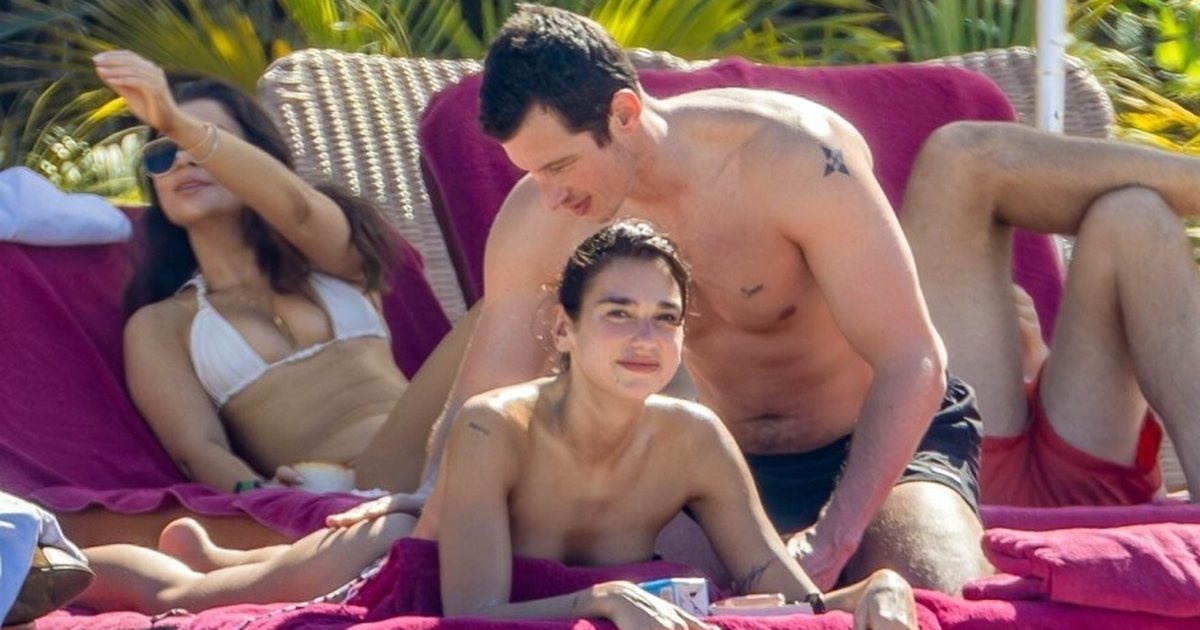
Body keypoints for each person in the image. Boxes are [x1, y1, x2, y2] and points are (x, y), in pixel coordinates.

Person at [355, 5, 990, 594]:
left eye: (559, 167)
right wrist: (433, 496)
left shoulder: (793, 158)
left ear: (624, 114)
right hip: (715, 466)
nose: (548, 196)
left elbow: (913, 360)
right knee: (647, 598)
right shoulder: (540, 219)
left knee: (931, 586)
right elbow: (490, 386)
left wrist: (832, 540)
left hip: (884, 444)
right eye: (531, 172)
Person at [77, 222, 918, 630]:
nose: (645, 339)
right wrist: (600, 599)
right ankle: (50, 559)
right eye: (618, 314)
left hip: (537, 587)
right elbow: (471, 609)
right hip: (400, 565)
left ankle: (221, 555)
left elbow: (787, 593)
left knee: (224, 573)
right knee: (180, 599)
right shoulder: (494, 426)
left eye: (665, 319)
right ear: (564, 329)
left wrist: (875, 590)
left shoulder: (694, 438)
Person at [89, 50, 472, 498]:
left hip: (444, 447)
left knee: (505, 304)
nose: (182, 159)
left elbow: (298, 209)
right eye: (163, 151)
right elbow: (197, 447)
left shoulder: (331, 258)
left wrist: (173, 119)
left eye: (204, 139)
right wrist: (262, 493)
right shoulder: (161, 324)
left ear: (259, 159)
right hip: (339, 487)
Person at [900, 121, 1200, 506]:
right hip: (959, 474)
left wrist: (1038, 358)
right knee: (960, 157)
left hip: (1075, 454)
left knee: (1135, 214)